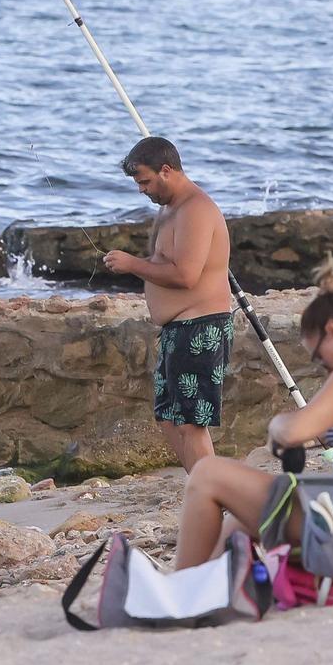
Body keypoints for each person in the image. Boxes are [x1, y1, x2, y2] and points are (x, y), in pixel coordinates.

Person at [171, 261, 333, 568]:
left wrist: (277, 427)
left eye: (321, 359)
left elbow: (294, 432)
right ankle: (204, 590)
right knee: (238, 522)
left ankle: (180, 593)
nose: (326, 369)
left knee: (207, 474)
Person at [101, 135, 233, 470]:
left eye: (144, 181)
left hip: (201, 327)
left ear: (165, 170)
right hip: (178, 329)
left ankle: (213, 494)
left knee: (191, 421)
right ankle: (202, 487)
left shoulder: (196, 210)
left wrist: (132, 264)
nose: (141, 190)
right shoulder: (170, 209)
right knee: (169, 417)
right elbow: (164, 261)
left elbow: (186, 275)